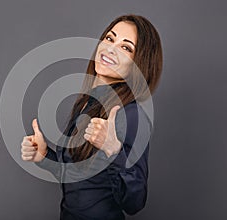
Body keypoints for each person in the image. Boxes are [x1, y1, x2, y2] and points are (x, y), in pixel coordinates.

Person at [21, 14, 163, 220]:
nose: (111, 48)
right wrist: (43, 156)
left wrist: (114, 151)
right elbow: (78, 181)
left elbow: (135, 202)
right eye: (109, 38)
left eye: (126, 48)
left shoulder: (132, 115)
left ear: (139, 64)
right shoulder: (88, 103)